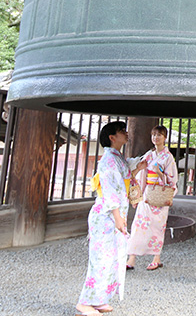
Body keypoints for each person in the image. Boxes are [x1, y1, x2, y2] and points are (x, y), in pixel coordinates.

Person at [76, 121, 145, 316]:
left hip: (114, 214)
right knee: (101, 258)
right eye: (121, 131)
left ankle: (99, 299)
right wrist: (117, 216)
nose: (126, 133)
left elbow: (124, 176)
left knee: (113, 257)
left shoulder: (117, 158)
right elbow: (109, 189)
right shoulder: (108, 160)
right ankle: (84, 302)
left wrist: (138, 168)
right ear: (112, 138)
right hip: (106, 215)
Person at [125, 125, 178, 271]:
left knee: (157, 228)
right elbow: (141, 174)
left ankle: (156, 258)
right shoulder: (149, 154)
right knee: (138, 225)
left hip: (160, 194)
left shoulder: (168, 157)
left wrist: (159, 172)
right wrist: (137, 195)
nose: (156, 138)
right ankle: (132, 258)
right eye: (154, 135)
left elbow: (172, 180)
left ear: (165, 138)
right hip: (147, 193)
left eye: (159, 135)